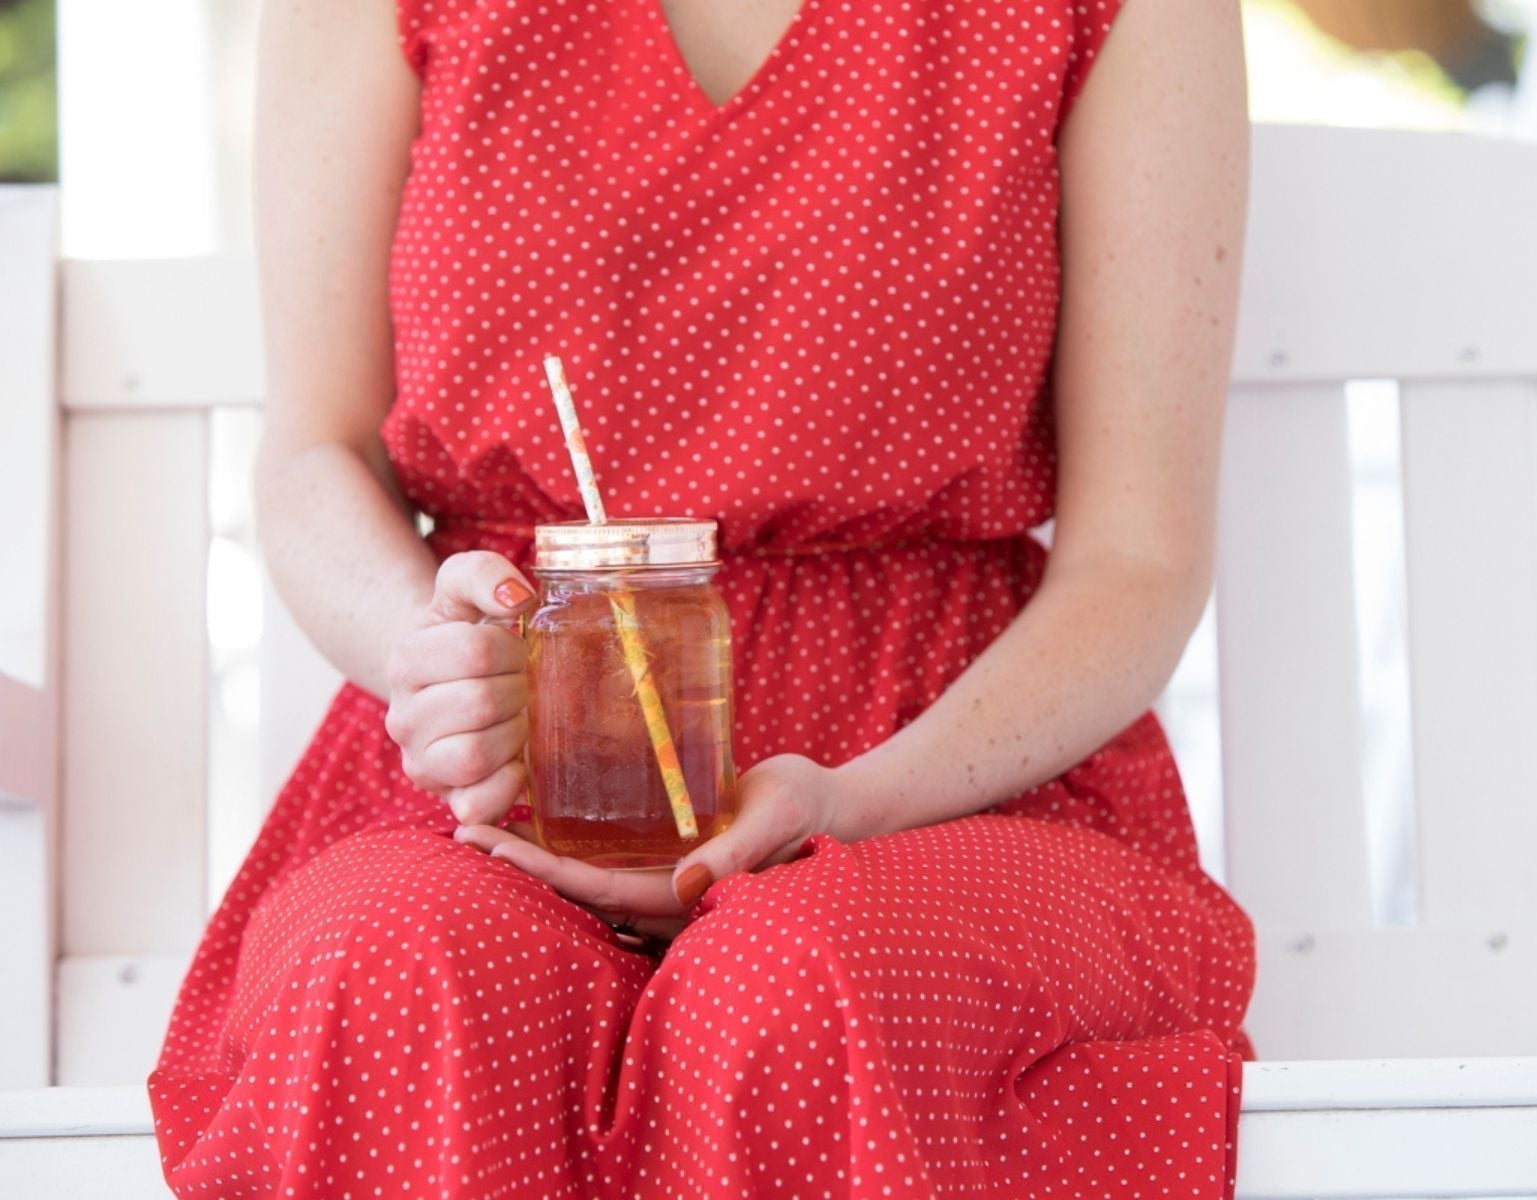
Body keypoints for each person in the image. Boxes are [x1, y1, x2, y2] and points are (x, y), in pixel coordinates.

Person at [147, 0, 1257, 1195]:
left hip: (959, 774)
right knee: (395, 965)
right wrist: (432, 653)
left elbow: (1136, 555)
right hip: (502, 782)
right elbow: (313, 452)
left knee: (805, 982)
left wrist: (859, 801)